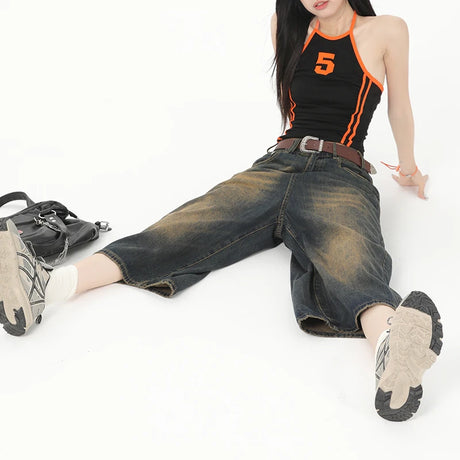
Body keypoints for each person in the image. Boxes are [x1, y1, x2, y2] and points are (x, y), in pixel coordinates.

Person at [0, 0, 443, 422]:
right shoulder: (287, 27)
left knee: (350, 257)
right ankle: (47, 287)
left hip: (342, 173)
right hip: (277, 164)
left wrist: (409, 169)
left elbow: (399, 106)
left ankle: (392, 351)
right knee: (183, 228)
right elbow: (295, 105)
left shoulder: (386, 29)